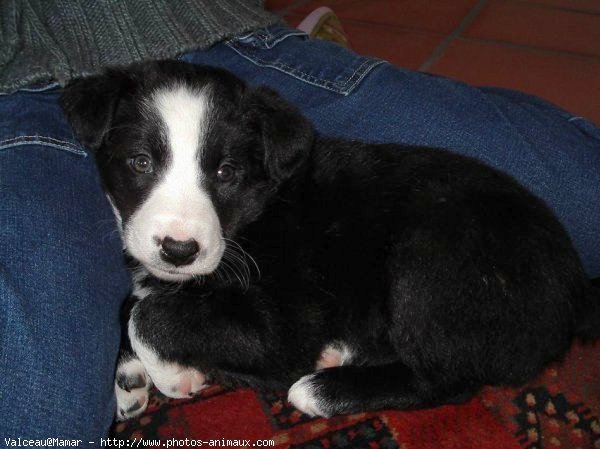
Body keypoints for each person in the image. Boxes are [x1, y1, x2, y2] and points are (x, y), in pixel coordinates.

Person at [1, 0, 598, 440]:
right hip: (17, 86)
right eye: (140, 162)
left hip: (202, 29)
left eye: (224, 174)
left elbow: (277, 346)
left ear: (263, 166)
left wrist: (156, 327)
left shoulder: (279, 177)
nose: (181, 223)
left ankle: (433, 379)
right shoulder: (115, 117)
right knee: (39, 412)